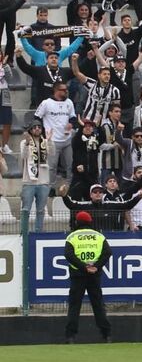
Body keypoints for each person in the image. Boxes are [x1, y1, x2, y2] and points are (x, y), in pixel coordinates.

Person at [64, 210, 112, 343]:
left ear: (77, 222)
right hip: (94, 275)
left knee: (74, 306)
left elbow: (69, 255)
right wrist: (96, 266)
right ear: (90, 221)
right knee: (98, 304)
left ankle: (70, 336)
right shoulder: (99, 236)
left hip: (78, 275)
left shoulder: (72, 237)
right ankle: (106, 335)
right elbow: (108, 252)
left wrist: (83, 267)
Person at [20, 120, 53, 232]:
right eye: (34, 127)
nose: (37, 129)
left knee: (40, 210)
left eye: (39, 127)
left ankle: (38, 232)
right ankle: (23, 233)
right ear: (30, 130)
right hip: (29, 181)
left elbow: (52, 153)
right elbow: (23, 156)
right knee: (26, 209)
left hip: (43, 181)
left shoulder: (45, 142)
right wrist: (26, 144)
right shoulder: (24, 142)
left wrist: (50, 140)